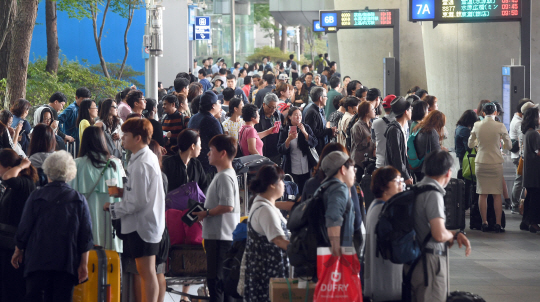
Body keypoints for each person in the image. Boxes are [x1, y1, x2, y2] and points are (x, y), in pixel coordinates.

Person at [11, 150, 92, 302]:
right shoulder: (79, 199)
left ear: (47, 170)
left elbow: (25, 226)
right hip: (66, 263)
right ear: (69, 173)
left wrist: (18, 249)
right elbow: (85, 235)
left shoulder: (36, 196)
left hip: (37, 261)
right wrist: (83, 264)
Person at [104, 118, 165, 302]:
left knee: (146, 272)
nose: (123, 138)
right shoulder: (141, 158)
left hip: (143, 225)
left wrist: (113, 208)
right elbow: (137, 193)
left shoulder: (142, 163)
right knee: (146, 271)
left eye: (126, 135)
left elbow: (138, 201)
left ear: (138, 138)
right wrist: (120, 192)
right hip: (145, 224)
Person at [405, 150, 471, 302]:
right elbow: (439, 234)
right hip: (429, 262)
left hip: (415, 261)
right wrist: (453, 235)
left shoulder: (418, 188)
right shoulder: (433, 194)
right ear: (448, 172)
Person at [192, 135, 240, 302]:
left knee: (216, 281)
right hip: (221, 235)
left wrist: (206, 213)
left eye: (211, 150)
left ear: (222, 153)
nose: (207, 154)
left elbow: (228, 206)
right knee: (219, 280)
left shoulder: (224, 176)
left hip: (221, 236)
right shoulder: (225, 174)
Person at [70, 126, 125, 252]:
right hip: (109, 222)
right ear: (102, 140)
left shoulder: (76, 164)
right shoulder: (113, 164)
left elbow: (72, 196)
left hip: (85, 221)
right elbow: (116, 196)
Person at [243, 165, 290, 301]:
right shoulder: (265, 210)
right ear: (272, 185)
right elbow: (279, 240)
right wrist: (301, 250)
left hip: (266, 273)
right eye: (281, 181)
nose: (284, 185)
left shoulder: (266, 205)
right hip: (266, 276)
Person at [0, 149, 38, 301]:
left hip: (15, 243)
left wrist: (22, 165)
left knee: (13, 285)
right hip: (8, 241)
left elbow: (6, 177)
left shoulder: (24, 183)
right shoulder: (18, 184)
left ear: (8, 167)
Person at [467, 102, 511, 232]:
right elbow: (508, 145)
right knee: (497, 194)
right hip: (495, 163)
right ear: (496, 112)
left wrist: (478, 143)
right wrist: (501, 142)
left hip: (481, 162)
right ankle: (497, 224)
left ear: (483, 113)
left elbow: (470, 144)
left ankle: (484, 222)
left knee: (482, 193)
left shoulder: (477, 125)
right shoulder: (500, 126)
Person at [364, 166, 404, 301]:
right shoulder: (382, 210)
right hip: (385, 283)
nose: (401, 186)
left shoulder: (377, 206)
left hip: (380, 282)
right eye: (397, 181)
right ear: (383, 186)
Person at [319, 151, 356, 256]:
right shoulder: (339, 189)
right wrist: (337, 256)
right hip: (338, 257)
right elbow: (333, 220)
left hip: (322, 252)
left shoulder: (324, 187)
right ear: (343, 169)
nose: (354, 174)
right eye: (353, 169)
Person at [277, 107, 318, 194]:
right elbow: (280, 149)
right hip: (292, 167)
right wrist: (288, 139)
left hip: (306, 166)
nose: (298, 117)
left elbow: (314, 142)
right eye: (295, 115)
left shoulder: (306, 127)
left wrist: (304, 132)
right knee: (293, 192)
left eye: (300, 115)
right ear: (289, 117)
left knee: (306, 191)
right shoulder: (284, 130)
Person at [162, 129, 209, 195]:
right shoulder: (168, 164)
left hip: (194, 204)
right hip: (172, 204)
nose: (201, 148)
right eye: (200, 145)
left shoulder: (197, 164)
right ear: (192, 146)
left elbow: (204, 186)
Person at [188, 91, 224, 174]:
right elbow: (221, 143)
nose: (219, 105)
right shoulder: (212, 121)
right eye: (218, 102)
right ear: (213, 106)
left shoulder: (193, 118)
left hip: (194, 163)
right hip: (208, 165)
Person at [509, 99, 532, 213]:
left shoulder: (517, 119)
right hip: (519, 156)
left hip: (518, 155)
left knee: (520, 180)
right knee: (519, 180)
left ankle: (516, 204)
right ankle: (515, 204)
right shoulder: (519, 122)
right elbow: (521, 141)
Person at [410, 110, 447, 182]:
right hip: (427, 169)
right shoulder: (431, 132)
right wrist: (443, 151)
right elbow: (437, 154)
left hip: (418, 166)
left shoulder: (419, 128)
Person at [520, 106, 540, 232]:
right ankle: (533, 223)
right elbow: (539, 152)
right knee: (535, 198)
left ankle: (525, 221)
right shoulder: (534, 134)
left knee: (529, 197)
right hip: (535, 171)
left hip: (529, 171)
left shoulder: (527, 133)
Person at [385, 96, 413, 185]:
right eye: (410, 109)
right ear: (406, 111)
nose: (411, 110)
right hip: (395, 177)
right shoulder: (394, 130)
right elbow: (396, 157)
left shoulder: (399, 128)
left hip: (398, 175)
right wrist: (405, 176)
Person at [59, 87, 92, 152]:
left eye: (87, 100)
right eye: (83, 100)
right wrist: (64, 136)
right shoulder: (71, 109)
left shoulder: (87, 109)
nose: (85, 103)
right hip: (72, 145)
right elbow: (58, 120)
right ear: (76, 98)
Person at [304, 87, 337, 154]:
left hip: (323, 146)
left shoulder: (320, 110)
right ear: (320, 98)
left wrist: (331, 131)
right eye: (325, 96)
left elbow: (321, 128)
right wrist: (329, 131)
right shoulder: (312, 112)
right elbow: (313, 132)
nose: (327, 98)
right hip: (317, 148)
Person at [254, 93, 283, 164]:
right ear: (264, 104)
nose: (273, 110)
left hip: (276, 152)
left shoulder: (278, 114)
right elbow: (254, 136)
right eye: (271, 107)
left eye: (275, 107)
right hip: (263, 152)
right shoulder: (257, 117)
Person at [350, 101, 377, 177]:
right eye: (372, 109)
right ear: (366, 113)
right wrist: (368, 139)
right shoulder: (357, 126)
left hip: (369, 161)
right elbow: (358, 146)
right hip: (359, 162)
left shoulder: (372, 125)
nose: (375, 110)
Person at [372, 95, 396, 169]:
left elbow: (373, 140)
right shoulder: (401, 123)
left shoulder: (375, 123)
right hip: (396, 164)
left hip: (380, 163)